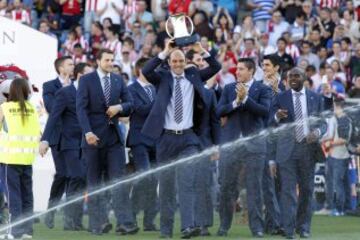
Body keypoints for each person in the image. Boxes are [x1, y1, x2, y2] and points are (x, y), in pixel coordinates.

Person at [141, 40, 221, 239]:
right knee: (167, 186)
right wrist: (165, 51)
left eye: (181, 61)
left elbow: (216, 67)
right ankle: (166, 231)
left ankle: (187, 226)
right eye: (174, 61)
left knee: (187, 183)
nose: (178, 64)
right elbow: (146, 70)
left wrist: (200, 50)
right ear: (169, 63)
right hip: (165, 140)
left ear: (186, 62)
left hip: (188, 139)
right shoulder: (162, 78)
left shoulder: (194, 75)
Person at [76, 49, 135, 235]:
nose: (110, 63)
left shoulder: (118, 80)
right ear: (98, 61)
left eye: (112, 60)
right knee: (94, 182)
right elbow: (81, 109)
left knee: (118, 181)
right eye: (107, 60)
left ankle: (124, 223)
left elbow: (130, 104)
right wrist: (87, 132)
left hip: (114, 139)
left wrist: (120, 107)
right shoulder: (86, 80)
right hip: (92, 139)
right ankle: (98, 223)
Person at [216, 58, 272, 238]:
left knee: (254, 187)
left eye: (241, 69)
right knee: (226, 187)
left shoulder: (263, 89)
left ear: (251, 71)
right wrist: (235, 102)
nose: (236, 71)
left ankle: (257, 228)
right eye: (237, 68)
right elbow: (219, 111)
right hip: (231, 146)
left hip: (254, 147)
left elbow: (264, 111)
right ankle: (224, 226)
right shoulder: (228, 89)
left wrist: (245, 99)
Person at [270, 67, 327, 239]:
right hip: (287, 151)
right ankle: (288, 230)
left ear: (304, 78)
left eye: (296, 76)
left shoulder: (315, 97)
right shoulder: (280, 97)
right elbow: (269, 123)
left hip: (308, 150)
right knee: (288, 191)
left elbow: (323, 123)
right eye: (290, 76)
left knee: (307, 190)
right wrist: (277, 117)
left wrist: (316, 133)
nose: (293, 79)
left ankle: (303, 227)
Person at [39, 63, 93, 231]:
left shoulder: (91, 93)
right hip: (66, 142)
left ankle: (74, 221)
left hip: (85, 143)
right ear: (78, 75)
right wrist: (45, 140)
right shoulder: (63, 92)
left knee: (80, 178)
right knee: (72, 176)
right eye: (89, 75)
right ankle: (63, 217)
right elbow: (53, 116)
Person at [185, 49, 221, 236]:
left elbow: (215, 122)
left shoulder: (209, 95)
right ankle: (189, 224)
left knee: (205, 185)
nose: (196, 70)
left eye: (198, 66)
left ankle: (204, 224)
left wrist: (216, 146)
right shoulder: (179, 94)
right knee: (186, 185)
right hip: (183, 145)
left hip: (205, 145)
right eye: (191, 67)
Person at [0, 78, 40, 239]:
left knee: (13, 197)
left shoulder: (5, 108)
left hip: (9, 159)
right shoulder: (31, 109)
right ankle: (26, 231)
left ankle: (14, 232)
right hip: (27, 158)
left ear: (11, 91)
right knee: (27, 196)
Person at [127, 57, 158, 232]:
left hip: (157, 140)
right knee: (144, 177)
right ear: (140, 70)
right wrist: (160, 100)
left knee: (154, 180)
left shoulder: (156, 88)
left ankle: (149, 221)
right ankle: (131, 216)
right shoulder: (130, 89)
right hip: (139, 140)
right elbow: (139, 109)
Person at [42, 56, 74, 229]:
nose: (73, 66)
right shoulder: (49, 86)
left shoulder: (78, 85)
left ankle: (70, 218)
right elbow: (51, 108)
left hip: (76, 137)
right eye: (70, 64)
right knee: (63, 174)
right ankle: (51, 212)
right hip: (58, 137)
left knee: (74, 176)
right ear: (61, 69)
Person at [261, 54, 283, 235]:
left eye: (267, 65)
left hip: (281, 143)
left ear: (276, 68)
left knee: (282, 185)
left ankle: (279, 222)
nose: (264, 68)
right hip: (264, 142)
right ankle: (272, 223)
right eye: (263, 65)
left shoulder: (284, 87)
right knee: (267, 185)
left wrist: (278, 92)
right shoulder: (259, 87)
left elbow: (289, 112)